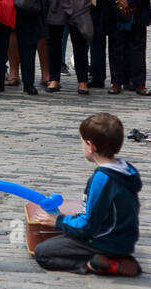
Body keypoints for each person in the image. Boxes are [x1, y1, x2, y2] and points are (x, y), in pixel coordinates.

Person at [34, 113, 142, 276]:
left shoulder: (102, 179)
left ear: (90, 146)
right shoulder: (126, 169)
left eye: (82, 143)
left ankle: (96, 264)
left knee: (42, 252)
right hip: (124, 239)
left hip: (104, 240)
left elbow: (88, 226)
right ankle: (115, 259)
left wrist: (59, 221)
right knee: (64, 234)